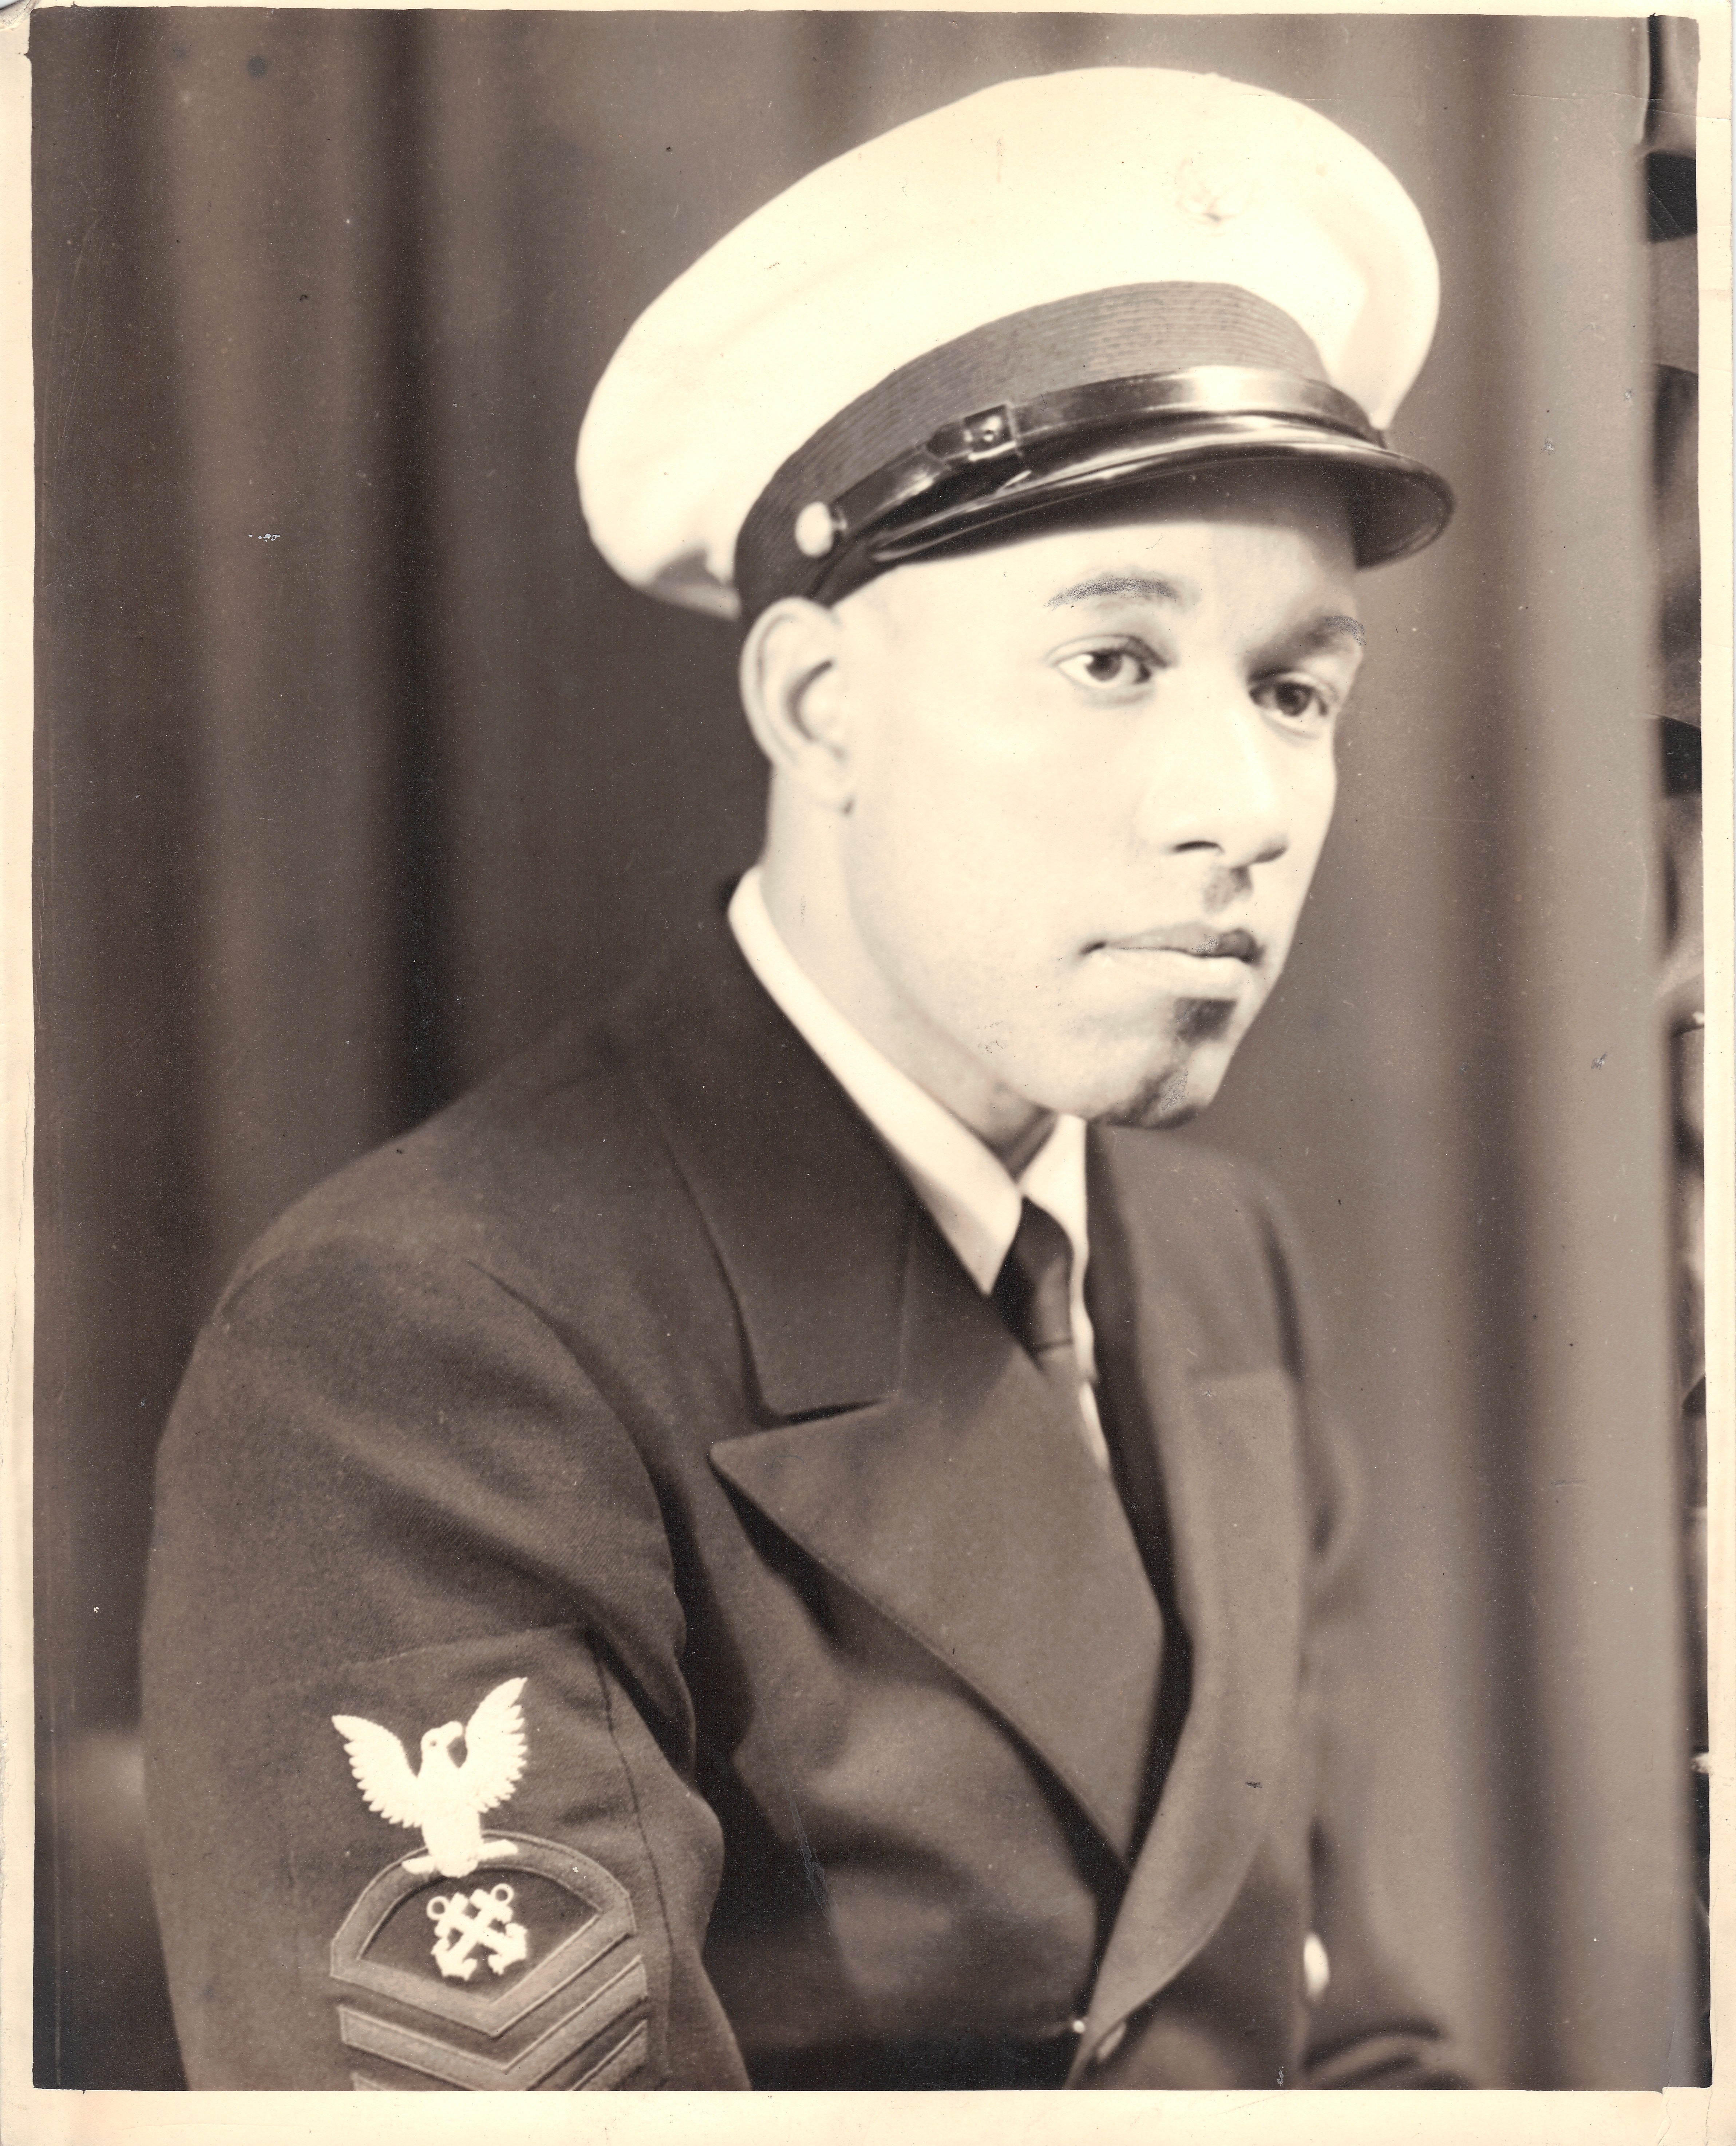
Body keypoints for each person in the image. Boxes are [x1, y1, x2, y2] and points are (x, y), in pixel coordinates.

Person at [142, 67, 1476, 2092]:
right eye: (1112, 658)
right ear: (816, 700)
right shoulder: (419, 1351)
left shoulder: (1214, 1265)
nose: (1241, 806)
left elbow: (1347, 2045)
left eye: (1293, 689)